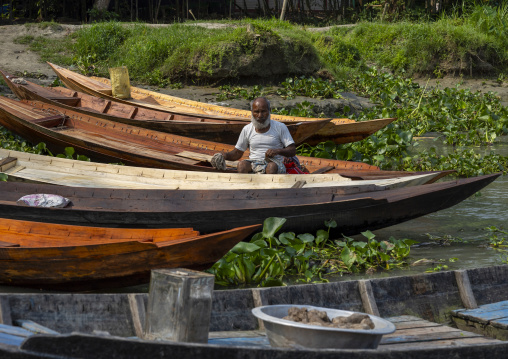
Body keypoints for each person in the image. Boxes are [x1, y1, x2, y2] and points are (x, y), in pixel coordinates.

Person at [210, 97, 296, 174]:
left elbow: (292, 150)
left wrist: (277, 151)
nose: (260, 115)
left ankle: (268, 190)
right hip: (254, 162)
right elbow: (237, 153)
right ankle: (246, 190)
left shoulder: (280, 127)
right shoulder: (247, 129)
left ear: (269, 111)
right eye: (256, 112)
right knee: (241, 165)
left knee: (271, 167)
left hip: (275, 163)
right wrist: (224, 156)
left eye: (263, 111)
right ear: (252, 112)